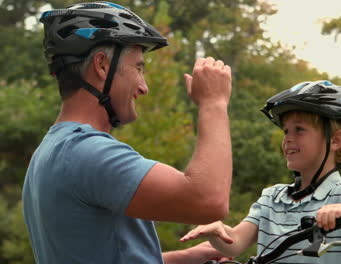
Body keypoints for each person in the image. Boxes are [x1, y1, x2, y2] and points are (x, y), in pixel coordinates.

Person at [22, 2, 233, 263]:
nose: (144, 87)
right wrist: (214, 104)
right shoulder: (86, 151)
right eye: (138, 68)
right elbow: (208, 200)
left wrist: (186, 257)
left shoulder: (51, 151)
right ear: (101, 65)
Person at [181, 80, 341, 264]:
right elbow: (235, 242)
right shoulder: (272, 198)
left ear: (335, 140)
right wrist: (218, 232)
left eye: (299, 130)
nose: (288, 138)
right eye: (286, 131)